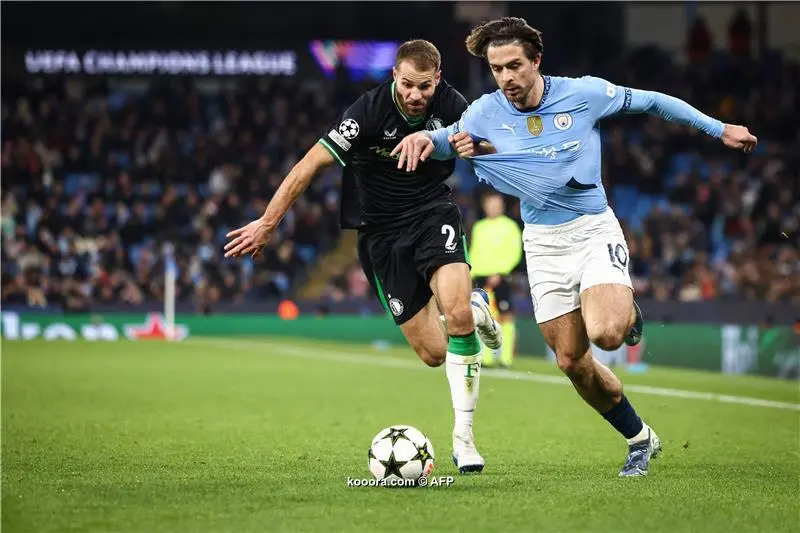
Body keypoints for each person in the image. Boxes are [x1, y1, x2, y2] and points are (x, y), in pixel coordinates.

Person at [390, 18, 758, 477]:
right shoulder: (485, 111)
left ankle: (621, 306)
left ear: (536, 61)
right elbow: (449, 141)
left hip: (591, 230)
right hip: (542, 245)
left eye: (514, 66)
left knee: (606, 333)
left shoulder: (583, 94)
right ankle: (640, 438)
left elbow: (653, 102)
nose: (506, 78)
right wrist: (426, 137)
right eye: (497, 69)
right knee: (570, 361)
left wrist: (717, 128)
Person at [223, 40, 502, 474]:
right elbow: (309, 164)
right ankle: (476, 306)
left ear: (438, 78)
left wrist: (472, 145)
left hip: (432, 213)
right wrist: (267, 223)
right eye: (407, 84)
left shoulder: (453, 105)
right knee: (432, 353)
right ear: (395, 76)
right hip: (379, 235)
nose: (415, 95)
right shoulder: (367, 112)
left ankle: (463, 439)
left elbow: (492, 148)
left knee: (458, 316)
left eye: (424, 87)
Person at [469, 190, 522, 368]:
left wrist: (501, 272)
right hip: (481, 277)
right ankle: (487, 358)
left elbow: (515, 252)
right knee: (482, 318)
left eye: (497, 204)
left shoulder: (510, 226)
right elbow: (474, 252)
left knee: (505, 316)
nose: (494, 207)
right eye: (491, 204)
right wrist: (470, 274)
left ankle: (505, 358)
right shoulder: (479, 227)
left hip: (501, 277)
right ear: (485, 206)